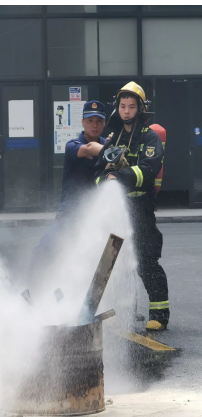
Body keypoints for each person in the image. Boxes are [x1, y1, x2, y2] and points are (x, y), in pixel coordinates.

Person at [94, 81, 168, 331]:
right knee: (116, 262)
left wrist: (120, 176)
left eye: (131, 106)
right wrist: (105, 178)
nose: (126, 111)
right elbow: (97, 173)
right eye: (123, 106)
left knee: (146, 260)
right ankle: (125, 313)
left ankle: (159, 314)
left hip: (141, 207)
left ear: (140, 109)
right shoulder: (113, 140)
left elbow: (149, 169)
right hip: (117, 209)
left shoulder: (149, 138)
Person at [28, 101, 109, 289]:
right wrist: (113, 150)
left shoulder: (109, 144)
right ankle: (32, 292)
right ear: (82, 122)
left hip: (96, 216)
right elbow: (90, 149)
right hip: (70, 214)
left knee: (99, 257)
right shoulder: (73, 145)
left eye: (99, 121)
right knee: (44, 251)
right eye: (90, 120)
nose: (94, 125)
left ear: (104, 123)